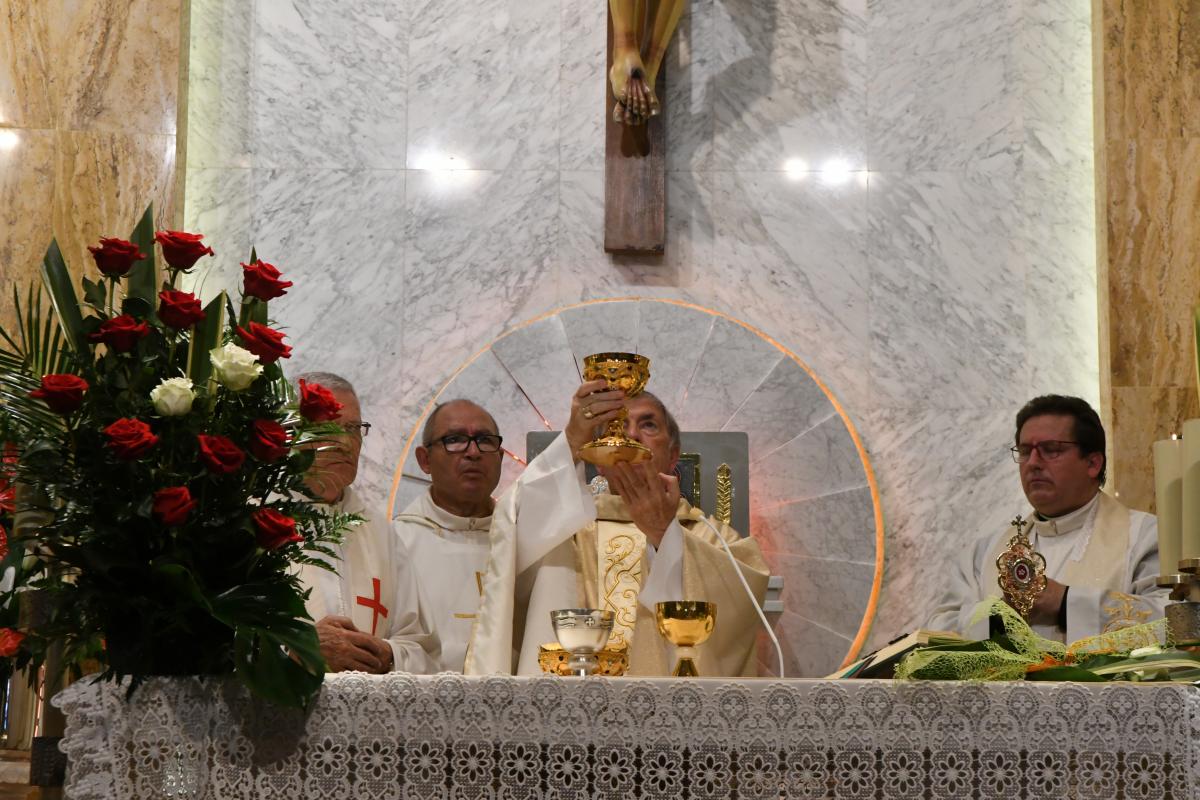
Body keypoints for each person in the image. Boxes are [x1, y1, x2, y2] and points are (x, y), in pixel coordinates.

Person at [466, 381, 769, 677]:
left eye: (648, 425)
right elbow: (513, 525)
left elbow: (740, 609)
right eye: (619, 427)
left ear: (674, 455)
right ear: (598, 459)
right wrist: (572, 439)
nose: (632, 435)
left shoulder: (713, 538)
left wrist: (665, 536)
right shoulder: (566, 532)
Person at [926, 394, 1168, 643]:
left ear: (1093, 463)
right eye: (1025, 451)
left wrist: (1065, 603)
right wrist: (999, 617)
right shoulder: (985, 552)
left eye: (1051, 450)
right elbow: (938, 628)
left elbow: (1175, 619)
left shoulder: (1144, 537)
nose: (1033, 463)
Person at [296, 373, 439, 673]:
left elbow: (422, 650)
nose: (345, 443)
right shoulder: (255, 521)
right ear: (291, 435)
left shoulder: (378, 531)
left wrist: (387, 654)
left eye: (353, 429)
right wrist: (300, 649)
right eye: (328, 427)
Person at [393, 399, 503, 672]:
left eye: (485, 440)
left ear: (500, 457)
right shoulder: (395, 544)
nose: (473, 452)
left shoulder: (523, 542)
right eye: (455, 440)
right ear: (425, 460)